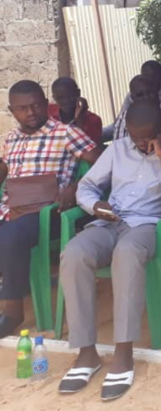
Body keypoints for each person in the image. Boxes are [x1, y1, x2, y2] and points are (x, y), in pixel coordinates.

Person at [58, 100, 161, 401]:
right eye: (134, 135)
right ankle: (86, 353)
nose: (139, 142)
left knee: (127, 253)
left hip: (149, 227)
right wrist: (96, 206)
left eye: (146, 136)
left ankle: (123, 352)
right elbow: (86, 185)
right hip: (110, 222)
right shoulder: (117, 149)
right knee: (74, 254)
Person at [0, 80, 100, 338]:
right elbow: (5, 168)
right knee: (9, 232)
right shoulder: (11, 139)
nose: (30, 112)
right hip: (13, 208)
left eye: (35, 105)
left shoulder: (65, 132)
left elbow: (102, 162)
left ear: (46, 104)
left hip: (48, 212)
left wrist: (75, 187)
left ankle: (12, 310)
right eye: (22, 108)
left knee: (9, 237)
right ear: (12, 111)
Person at [49, 77, 103, 144]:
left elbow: (87, 149)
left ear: (78, 93)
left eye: (71, 96)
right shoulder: (48, 113)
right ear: (54, 98)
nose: (67, 101)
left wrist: (79, 122)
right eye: (61, 98)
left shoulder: (93, 120)